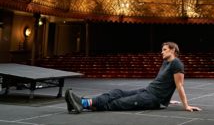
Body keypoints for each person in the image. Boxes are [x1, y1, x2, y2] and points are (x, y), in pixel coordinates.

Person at [65, 42, 202, 113]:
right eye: (162, 49)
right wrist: (167, 99)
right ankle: (81, 103)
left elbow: (179, 85)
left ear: (173, 50)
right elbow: (164, 83)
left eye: (164, 49)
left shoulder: (177, 63)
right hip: (148, 92)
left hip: (152, 99)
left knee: (119, 103)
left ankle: (82, 104)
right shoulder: (166, 62)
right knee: (116, 92)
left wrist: (186, 105)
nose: (161, 52)